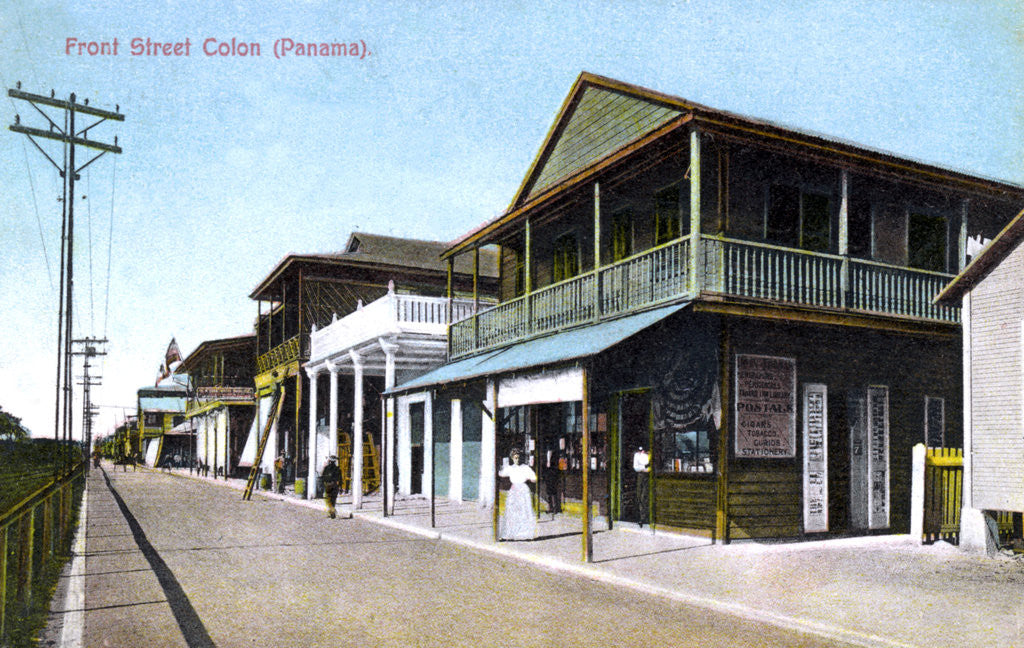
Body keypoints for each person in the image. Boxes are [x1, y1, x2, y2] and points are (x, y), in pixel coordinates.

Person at [499, 449, 537, 540]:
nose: (517, 460)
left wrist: (530, 477)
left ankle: (524, 534)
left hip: (523, 490)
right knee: (512, 511)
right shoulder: (510, 468)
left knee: (524, 511)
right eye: (515, 458)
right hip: (514, 490)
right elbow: (501, 474)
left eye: (518, 457)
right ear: (512, 458)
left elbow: (534, 478)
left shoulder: (525, 468)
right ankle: (510, 533)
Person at [633, 445, 651, 527]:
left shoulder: (649, 455)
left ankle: (646, 516)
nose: (642, 451)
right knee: (640, 496)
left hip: (649, 476)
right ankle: (642, 517)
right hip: (641, 475)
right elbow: (636, 467)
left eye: (643, 450)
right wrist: (644, 467)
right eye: (640, 450)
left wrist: (644, 467)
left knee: (645, 496)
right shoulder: (637, 455)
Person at [542, 450, 562, 516]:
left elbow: (557, 466)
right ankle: (550, 508)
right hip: (548, 475)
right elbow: (543, 466)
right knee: (548, 492)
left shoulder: (555, 455)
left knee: (554, 492)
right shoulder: (545, 455)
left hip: (553, 476)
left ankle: (555, 508)